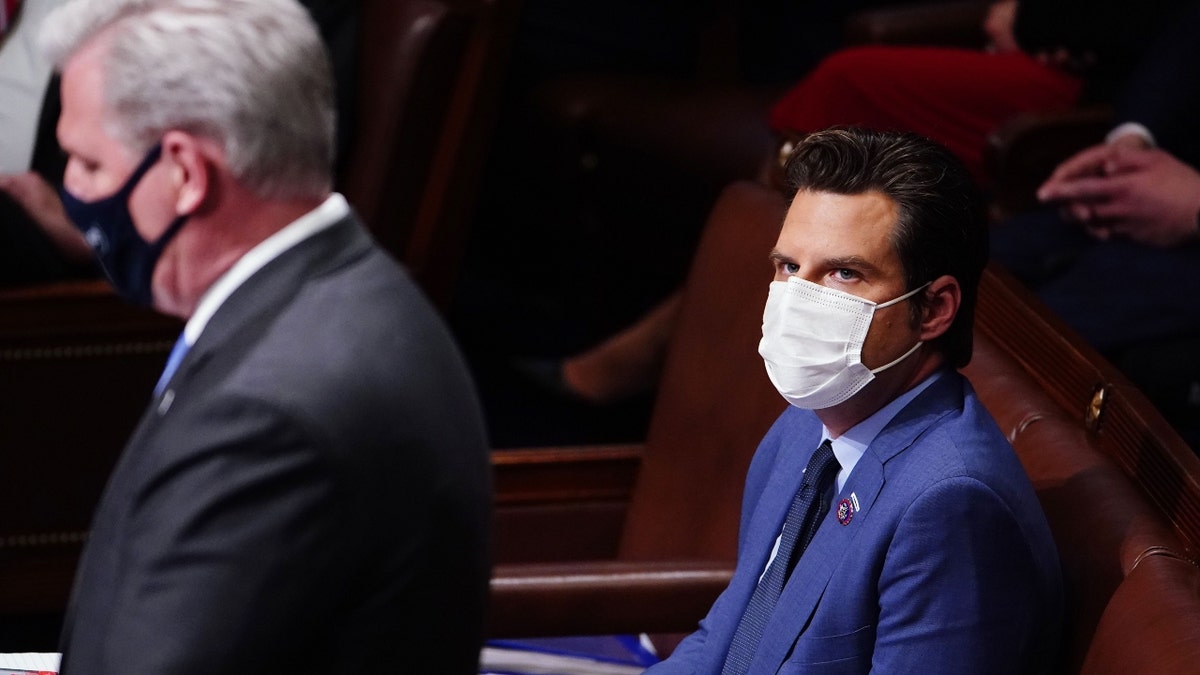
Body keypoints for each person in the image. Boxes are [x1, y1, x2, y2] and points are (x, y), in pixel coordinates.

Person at [40, 0, 491, 672]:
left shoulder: (267, 411)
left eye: (88, 164)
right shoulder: (351, 292)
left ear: (185, 173)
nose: (69, 187)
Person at [646, 128, 1062, 674]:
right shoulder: (806, 424)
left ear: (934, 308)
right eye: (789, 267)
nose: (799, 298)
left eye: (844, 273)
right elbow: (722, 640)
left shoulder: (951, 504)